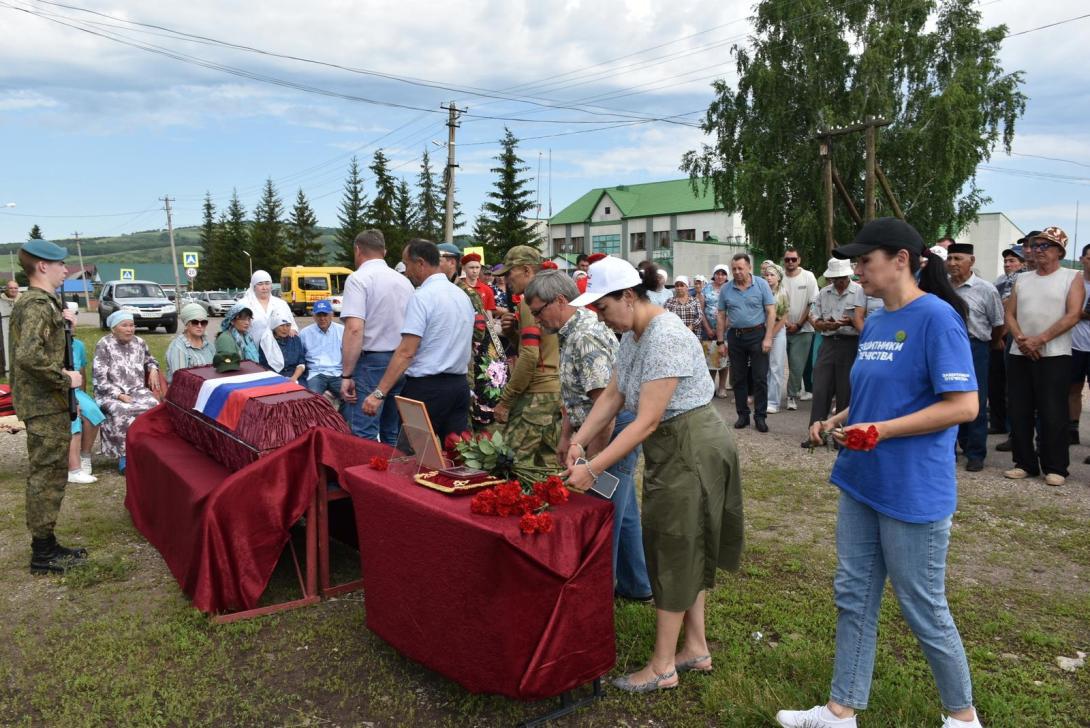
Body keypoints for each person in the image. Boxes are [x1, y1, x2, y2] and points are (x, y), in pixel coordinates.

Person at [777, 217, 983, 728]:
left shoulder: (936, 318)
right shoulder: (875, 318)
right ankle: (840, 711)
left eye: (865, 260)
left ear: (901, 260)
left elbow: (964, 406)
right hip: (862, 481)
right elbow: (879, 396)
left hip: (912, 488)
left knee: (923, 608)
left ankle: (963, 719)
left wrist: (883, 431)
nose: (857, 269)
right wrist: (838, 419)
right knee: (854, 596)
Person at [564, 257, 743, 693]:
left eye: (603, 307)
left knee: (674, 548)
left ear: (629, 296)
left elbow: (644, 421)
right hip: (675, 447)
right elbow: (612, 393)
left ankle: (663, 666)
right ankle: (695, 647)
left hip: (692, 447)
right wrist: (579, 441)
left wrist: (593, 467)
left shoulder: (664, 336)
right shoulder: (632, 334)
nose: (599, 316)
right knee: (685, 544)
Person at [524, 269, 653, 602]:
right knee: (621, 511)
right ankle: (637, 585)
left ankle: (594, 598)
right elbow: (574, 396)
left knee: (601, 513)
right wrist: (568, 436)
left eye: (539, 312)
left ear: (561, 301)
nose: (536, 321)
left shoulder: (584, 336)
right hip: (594, 428)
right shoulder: (568, 333)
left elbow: (605, 407)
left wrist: (592, 462)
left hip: (613, 429)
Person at [10, 239, 88, 574]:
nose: (65, 270)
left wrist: (64, 324)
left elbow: (43, 344)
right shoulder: (38, 304)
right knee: (46, 476)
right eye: (60, 265)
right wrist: (64, 378)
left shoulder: (40, 303)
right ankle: (42, 554)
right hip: (44, 403)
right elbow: (29, 356)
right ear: (42, 266)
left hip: (44, 403)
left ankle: (48, 542)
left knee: (53, 473)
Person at [362, 239, 475, 442]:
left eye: (407, 264)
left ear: (420, 263)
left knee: (414, 459)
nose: (406, 271)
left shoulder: (422, 296)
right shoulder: (462, 295)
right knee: (454, 456)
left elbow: (406, 351)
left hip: (427, 389)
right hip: (459, 386)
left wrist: (379, 394)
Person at [1004, 227, 1083, 486]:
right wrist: (1021, 339)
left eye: (1044, 246)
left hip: (1054, 354)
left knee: (1053, 412)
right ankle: (1024, 462)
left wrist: (1041, 339)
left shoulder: (1072, 277)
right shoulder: (1022, 279)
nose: (1037, 250)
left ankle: (1056, 466)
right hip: (1020, 352)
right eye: (1035, 245)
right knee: (1019, 409)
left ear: (1059, 251)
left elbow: (1073, 314)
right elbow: (1010, 314)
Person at [340, 230, 415, 443]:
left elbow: (354, 329)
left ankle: (364, 475)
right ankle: (389, 475)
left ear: (357, 249)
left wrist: (346, 375)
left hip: (372, 362)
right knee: (390, 429)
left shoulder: (358, 279)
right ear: (384, 251)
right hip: (400, 362)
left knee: (364, 433)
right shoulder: (404, 282)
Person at [493, 245, 562, 467]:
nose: (505, 279)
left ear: (526, 270)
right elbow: (542, 348)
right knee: (549, 467)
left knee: (510, 464)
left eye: (508, 272)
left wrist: (506, 401)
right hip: (554, 392)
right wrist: (513, 334)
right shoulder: (552, 296)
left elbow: (530, 357)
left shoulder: (530, 301)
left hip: (535, 395)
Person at [946, 244, 1004, 472]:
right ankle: (950, 448)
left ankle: (975, 452)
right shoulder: (943, 288)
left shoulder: (986, 289)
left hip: (975, 347)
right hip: (948, 348)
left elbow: (998, 323)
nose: (952, 263)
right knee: (948, 398)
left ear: (972, 260)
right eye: (949, 258)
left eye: (958, 258)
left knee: (976, 400)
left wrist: (990, 342)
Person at [803, 258, 866, 448]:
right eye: (834, 277)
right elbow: (813, 316)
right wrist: (824, 324)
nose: (838, 281)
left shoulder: (860, 292)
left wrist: (851, 322)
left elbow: (868, 320)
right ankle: (816, 433)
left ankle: (841, 436)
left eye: (841, 277)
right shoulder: (824, 292)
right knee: (821, 388)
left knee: (845, 390)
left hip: (850, 343)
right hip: (829, 342)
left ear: (848, 275)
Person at [93, 311, 164, 473]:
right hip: (110, 393)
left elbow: (150, 359)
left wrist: (153, 369)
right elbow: (99, 378)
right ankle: (124, 457)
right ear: (113, 328)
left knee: (154, 405)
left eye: (131, 325)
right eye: (124, 325)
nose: (129, 329)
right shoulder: (104, 344)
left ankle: (147, 452)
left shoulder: (139, 342)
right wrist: (118, 395)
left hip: (136, 390)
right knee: (121, 410)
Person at [716, 253, 776, 432]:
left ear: (749, 268)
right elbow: (721, 315)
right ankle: (742, 415)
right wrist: (720, 341)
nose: (737, 272)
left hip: (758, 334)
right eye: (734, 269)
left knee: (759, 377)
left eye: (740, 268)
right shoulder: (726, 289)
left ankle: (760, 416)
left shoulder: (762, 285)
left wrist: (768, 337)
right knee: (739, 378)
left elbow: (771, 312)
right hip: (735, 336)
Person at [989, 245, 1024, 436]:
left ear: (1022, 263)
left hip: (1010, 336)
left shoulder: (1022, 280)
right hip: (997, 336)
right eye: (1005, 261)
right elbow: (995, 309)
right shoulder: (1000, 281)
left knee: (1011, 387)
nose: (1007, 264)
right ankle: (997, 422)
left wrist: (1002, 335)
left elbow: (1010, 309)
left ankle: (1012, 429)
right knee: (995, 384)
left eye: (1012, 261)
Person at [782, 248, 819, 410]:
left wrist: (798, 324)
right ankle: (771, 396)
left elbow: (812, 303)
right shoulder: (779, 276)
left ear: (799, 260)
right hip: (780, 328)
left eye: (793, 259)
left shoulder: (808, 276)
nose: (790, 262)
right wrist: (785, 323)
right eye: (787, 259)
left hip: (803, 329)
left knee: (797, 365)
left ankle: (791, 395)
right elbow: (774, 303)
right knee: (775, 364)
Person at [68, 335, 103, 484]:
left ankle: (85, 455)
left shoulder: (78, 345)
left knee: (93, 411)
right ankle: (73, 466)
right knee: (73, 416)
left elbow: (81, 371)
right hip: (59, 391)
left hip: (76, 390)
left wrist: (83, 395)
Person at [299, 299, 344, 400]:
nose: (322, 318)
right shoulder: (304, 333)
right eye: (319, 315)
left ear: (332, 315)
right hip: (315, 373)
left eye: (325, 315)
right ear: (314, 316)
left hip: (337, 373)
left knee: (349, 397)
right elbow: (300, 356)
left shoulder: (342, 331)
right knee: (310, 399)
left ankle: (339, 416)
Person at [238, 270, 296, 347]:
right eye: (260, 284)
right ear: (254, 286)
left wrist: (292, 330)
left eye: (267, 283)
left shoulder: (281, 304)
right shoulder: (243, 304)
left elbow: (292, 325)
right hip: (251, 348)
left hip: (278, 349)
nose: (264, 287)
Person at [1069, 244, 1090, 454]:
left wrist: (1077, 313)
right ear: (1082, 258)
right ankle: (1072, 429)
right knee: (1073, 389)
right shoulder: (1073, 281)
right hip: (1075, 344)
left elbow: (1074, 312)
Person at [164, 303, 215, 383]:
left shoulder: (209, 345)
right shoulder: (178, 347)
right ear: (186, 324)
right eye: (195, 322)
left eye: (203, 322)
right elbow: (181, 380)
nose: (199, 326)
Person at [764, 263, 790, 414]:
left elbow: (785, 315)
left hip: (778, 331)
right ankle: (764, 398)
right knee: (764, 366)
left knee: (776, 367)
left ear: (779, 278)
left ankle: (773, 401)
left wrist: (771, 334)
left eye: (772, 275)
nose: (769, 278)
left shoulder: (783, 293)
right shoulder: (761, 291)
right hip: (764, 329)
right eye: (767, 275)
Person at [702, 265, 730, 398]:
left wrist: (722, 328)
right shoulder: (706, 288)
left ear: (727, 276)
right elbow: (701, 310)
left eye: (723, 274)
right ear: (714, 275)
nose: (720, 276)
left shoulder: (730, 288)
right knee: (711, 359)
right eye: (718, 274)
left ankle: (723, 387)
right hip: (708, 331)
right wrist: (708, 328)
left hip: (725, 329)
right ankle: (711, 386)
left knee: (724, 359)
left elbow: (732, 309)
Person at [259, 313, 307, 381]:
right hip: (274, 377)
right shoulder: (266, 342)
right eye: (281, 325)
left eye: (288, 325)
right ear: (274, 326)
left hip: (295, 376)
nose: (285, 329)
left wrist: (294, 378)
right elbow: (263, 366)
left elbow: (301, 363)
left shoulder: (295, 340)